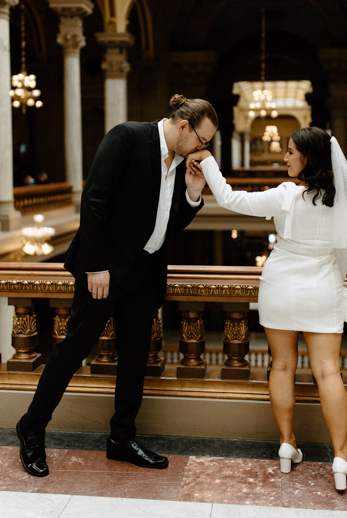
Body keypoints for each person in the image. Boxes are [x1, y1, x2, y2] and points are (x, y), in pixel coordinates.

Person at [16, 94, 218, 477]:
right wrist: (95, 267)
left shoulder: (181, 164)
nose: (203, 150)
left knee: (135, 358)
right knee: (72, 351)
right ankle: (31, 428)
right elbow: (94, 201)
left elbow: (170, 223)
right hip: (104, 272)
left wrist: (193, 191)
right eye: (201, 141)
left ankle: (121, 438)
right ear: (183, 126)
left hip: (145, 274)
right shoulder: (127, 137)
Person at [187, 127, 347, 492]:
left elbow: (232, 200)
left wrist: (209, 161)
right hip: (322, 289)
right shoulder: (345, 199)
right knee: (329, 372)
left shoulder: (286, 196)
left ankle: (287, 443)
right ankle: (341, 458)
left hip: (280, 285)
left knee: (282, 364)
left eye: (290, 152)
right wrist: (328, 282)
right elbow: (343, 255)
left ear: (308, 159)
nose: (284, 158)